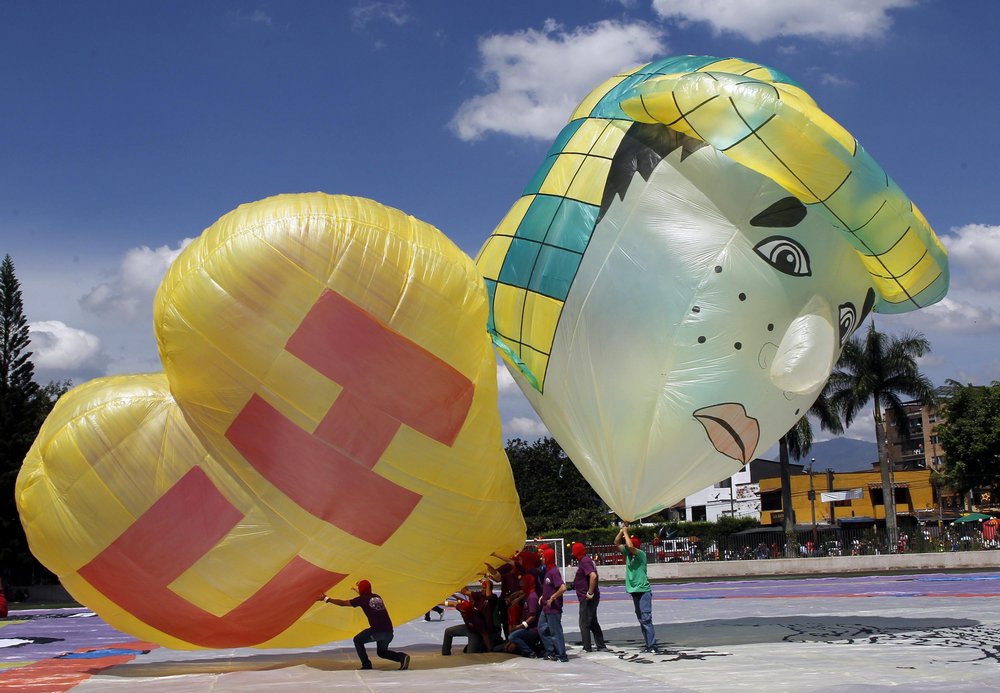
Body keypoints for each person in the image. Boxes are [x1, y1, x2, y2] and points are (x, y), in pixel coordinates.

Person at [319, 580, 410, 670]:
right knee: (382, 652)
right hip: (389, 632)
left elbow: (343, 603)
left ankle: (366, 664)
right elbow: (365, 596)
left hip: (377, 632)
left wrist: (326, 599)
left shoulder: (361, 599)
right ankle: (402, 657)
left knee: (357, 640)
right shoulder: (377, 597)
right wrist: (357, 589)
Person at [615, 522, 657, 653]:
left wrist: (626, 533)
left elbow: (630, 546)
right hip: (634, 590)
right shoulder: (628, 553)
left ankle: (652, 645)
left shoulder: (640, 554)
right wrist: (622, 531)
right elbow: (616, 542)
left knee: (646, 618)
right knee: (641, 619)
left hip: (643, 590)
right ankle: (648, 644)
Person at [571, 542, 608, 652]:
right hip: (589, 597)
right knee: (592, 621)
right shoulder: (586, 560)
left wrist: (590, 592)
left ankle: (587, 647)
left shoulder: (584, 561)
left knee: (584, 623)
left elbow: (593, 576)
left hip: (587, 598)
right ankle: (601, 645)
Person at [537, 547, 568, 662]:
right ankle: (551, 651)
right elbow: (548, 587)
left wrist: (552, 598)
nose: (542, 559)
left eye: (544, 557)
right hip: (546, 607)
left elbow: (563, 587)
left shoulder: (554, 572)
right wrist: (543, 596)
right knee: (542, 628)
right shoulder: (548, 571)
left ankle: (562, 654)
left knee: (555, 631)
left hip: (553, 607)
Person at [506, 573, 543, 657]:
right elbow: (519, 594)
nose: (522, 585)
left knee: (512, 637)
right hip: (528, 627)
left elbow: (533, 616)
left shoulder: (532, 597)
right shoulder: (527, 595)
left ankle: (530, 652)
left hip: (532, 629)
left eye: (524, 582)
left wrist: (520, 626)